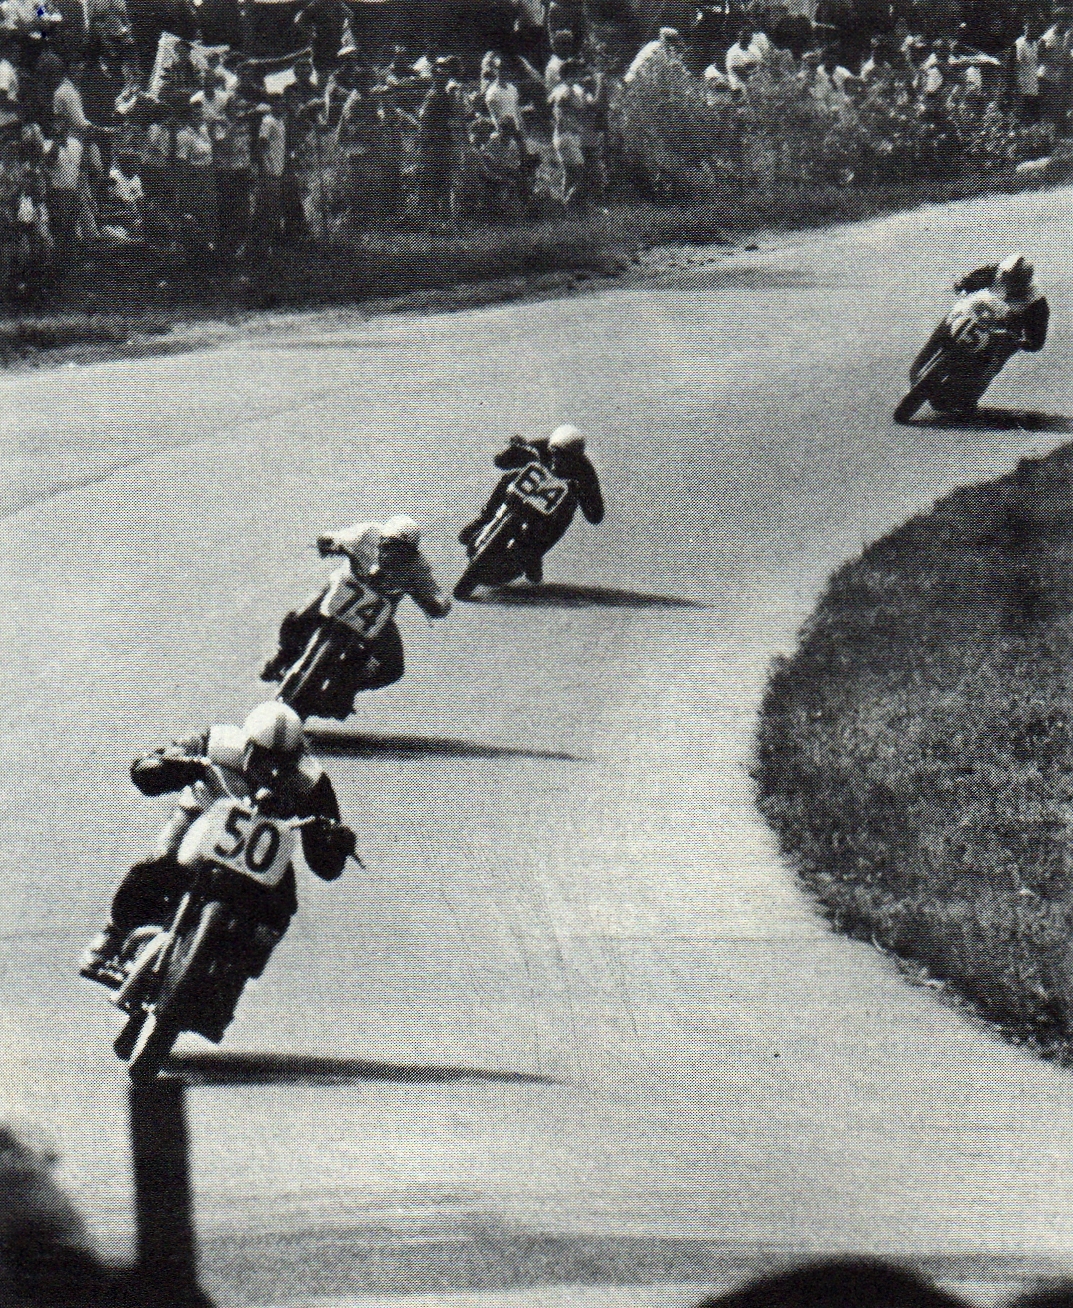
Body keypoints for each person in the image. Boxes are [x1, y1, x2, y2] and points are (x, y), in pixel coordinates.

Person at [80, 701, 358, 987]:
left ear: (297, 757)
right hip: (201, 816)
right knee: (162, 861)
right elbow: (146, 767)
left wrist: (333, 840)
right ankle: (108, 941)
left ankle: (232, 980)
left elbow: (328, 857)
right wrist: (173, 766)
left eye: (283, 764)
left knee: (281, 908)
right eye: (264, 759)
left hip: (263, 844)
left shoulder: (311, 781)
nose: (273, 773)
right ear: (247, 747)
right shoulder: (217, 743)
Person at [261, 515, 451, 693]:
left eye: (401, 552)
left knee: (392, 668)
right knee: (296, 618)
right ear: (381, 539)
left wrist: (439, 605)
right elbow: (339, 537)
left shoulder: (418, 567)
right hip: (339, 593)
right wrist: (329, 542)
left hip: (375, 617)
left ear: (411, 554)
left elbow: (436, 594)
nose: (391, 555)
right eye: (388, 546)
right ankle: (284, 655)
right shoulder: (366, 533)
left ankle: (344, 689)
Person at [458, 424, 604, 586]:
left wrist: (581, 493)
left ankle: (534, 554)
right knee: (509, 478)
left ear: (576, 457)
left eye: (566, 457)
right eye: (555, 453)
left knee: (564, 515)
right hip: (529, 489)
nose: (558, 459)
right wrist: (513, 449)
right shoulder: (540, 447)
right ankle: (485, 519)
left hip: (552, 507)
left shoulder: (585, 472)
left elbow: (596, 515)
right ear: (550, 447)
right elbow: (501, 461)